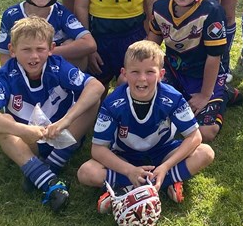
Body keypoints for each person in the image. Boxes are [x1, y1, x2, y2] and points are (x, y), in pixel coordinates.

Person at [0, 16, 104, 212]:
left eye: (40, 49)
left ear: (51, 48)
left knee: (92, 100)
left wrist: (66, 120)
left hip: (63, 134)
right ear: (12, 50)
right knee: (2, 121)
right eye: (26, 50)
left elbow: (96, 86)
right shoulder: (6, 74)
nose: (34, 56)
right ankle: (48, 181)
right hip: (29, 142)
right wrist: (23, 130)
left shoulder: (57, 65)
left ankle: (49, 166)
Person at [77, 40, 215, 211]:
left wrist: (165, 166)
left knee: (205, 153)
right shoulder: (112, 103)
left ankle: (127, 189)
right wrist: (129, 170)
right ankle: (163, 182)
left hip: (163, 152)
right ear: (124, 74)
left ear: (161, 74)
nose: (142, 78)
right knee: (86, 172)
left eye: (150, 72)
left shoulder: (173, 97)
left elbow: (194, 136)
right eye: (135, 72)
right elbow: (98, 149)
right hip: (125, 156)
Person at [148, 0, 230, 143]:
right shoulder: (160, 8)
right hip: (173, 71)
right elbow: (151, 45)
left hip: (204, 76)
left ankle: (223, 92)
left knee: (206, 132)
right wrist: (140, 71)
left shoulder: (212, 11)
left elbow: (214, 57)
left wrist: (205, 95)